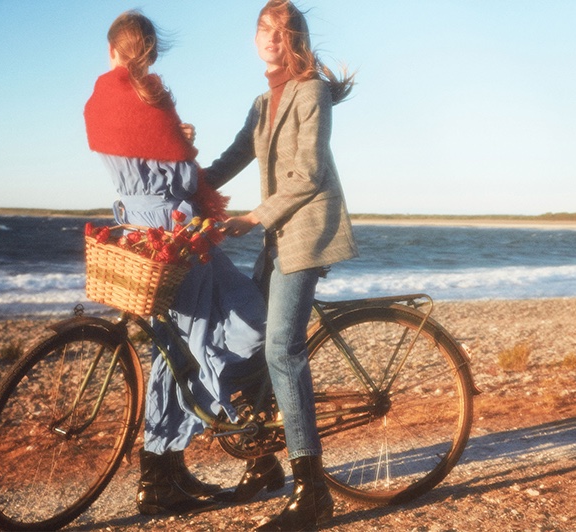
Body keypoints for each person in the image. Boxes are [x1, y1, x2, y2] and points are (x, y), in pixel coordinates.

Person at [83, 10, 268, 516]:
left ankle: (163, 471)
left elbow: (150, 164)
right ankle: (241, 434)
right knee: (237, 325)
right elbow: (180, 181)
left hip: (140, 233)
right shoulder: (153, 99)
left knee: (176, 350)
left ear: (113, 50)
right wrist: (186, 148)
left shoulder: (100, 101)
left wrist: (179, 146)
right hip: (174, 238)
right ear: (152, 51)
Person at [204, 1, 358, 529]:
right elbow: (230, 159)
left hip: (307, 233)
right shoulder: (260, 102)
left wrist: (251, 218)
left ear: (296, 39)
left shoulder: (310, 91)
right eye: (264, 30)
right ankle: (263, 462)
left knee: (280, 349)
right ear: (255, 39)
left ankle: (312, 492)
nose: (272, 38)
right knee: (249, 335)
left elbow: (310, 174)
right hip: (277, 234)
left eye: (282, 31)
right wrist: (185, 186)